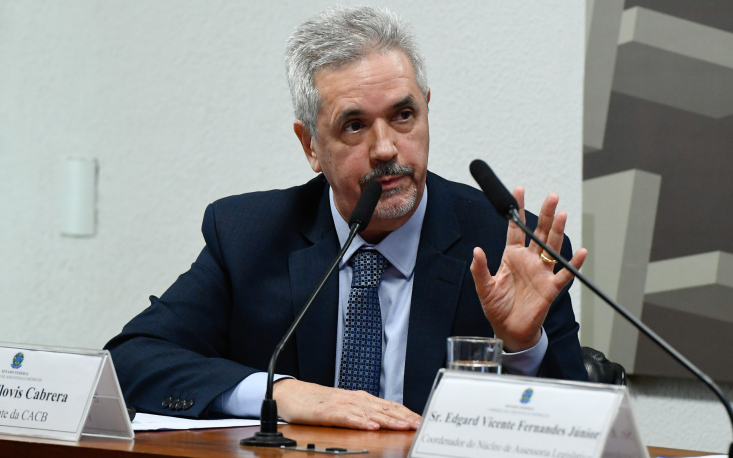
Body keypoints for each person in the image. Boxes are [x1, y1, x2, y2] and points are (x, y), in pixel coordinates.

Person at [105, 6, 587, 431]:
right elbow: (131, 361)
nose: (385, 149)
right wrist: (282, 393)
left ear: (427, 111)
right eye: (354, 125)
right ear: (310, 145)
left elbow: (580, 426)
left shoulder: (509, 245)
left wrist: (522, 346)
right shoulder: (248, 236)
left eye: (403, 116)